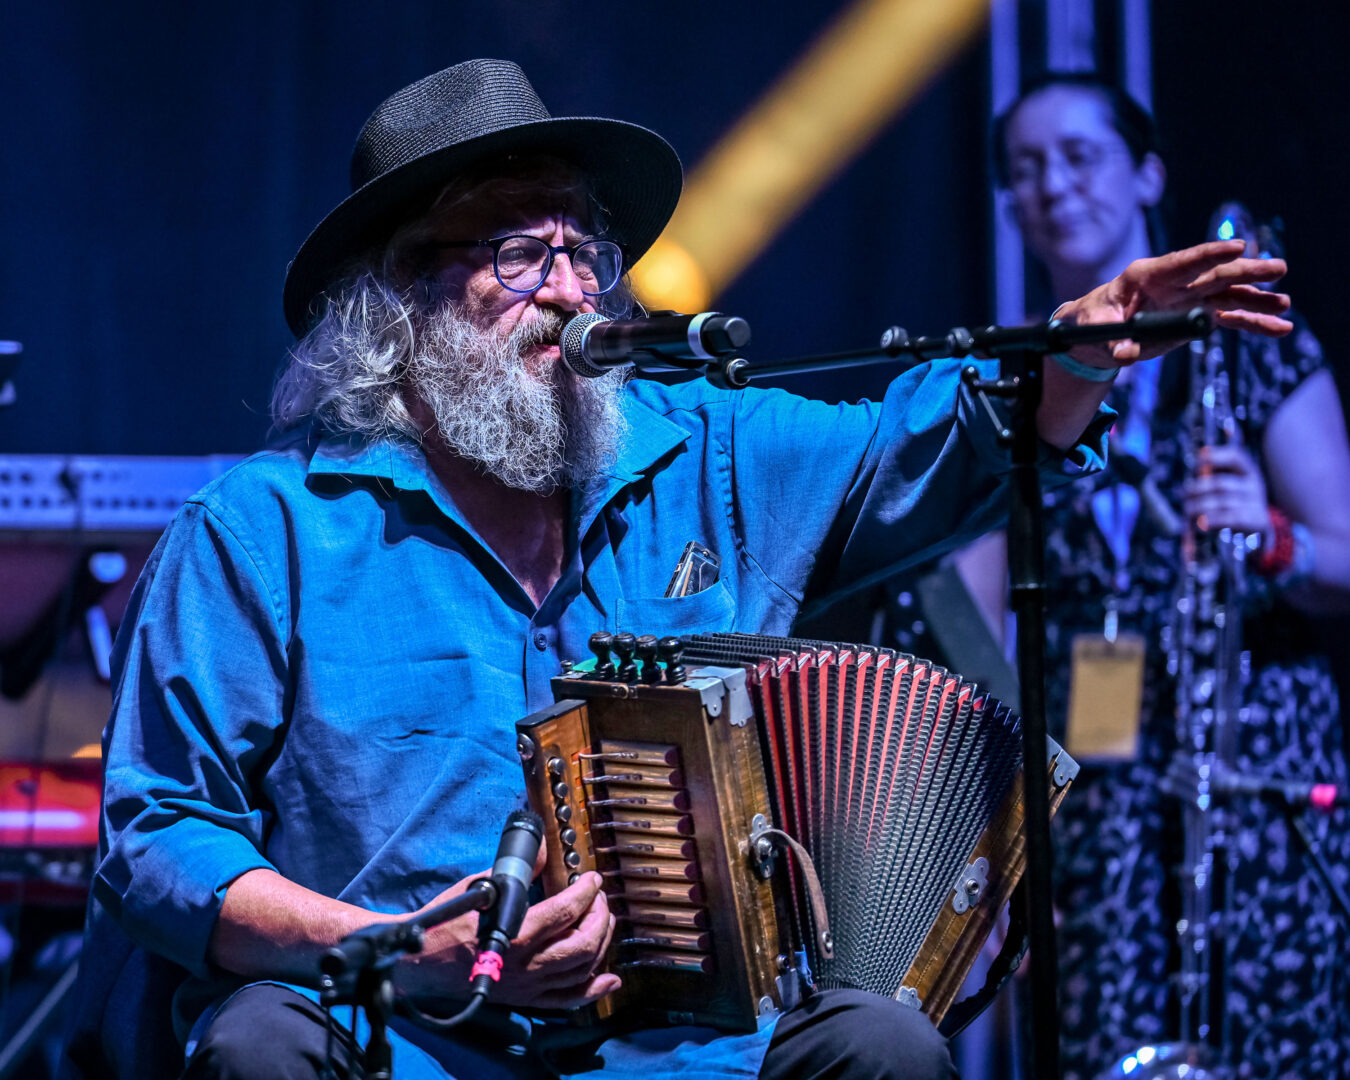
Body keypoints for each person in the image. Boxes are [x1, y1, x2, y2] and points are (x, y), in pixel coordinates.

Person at [62, 60, 1291, 1080]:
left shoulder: (706, 447)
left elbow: (929, 445)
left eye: (579, 246)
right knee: (261, 1045)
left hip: (688, 1048)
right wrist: (392, 947)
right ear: (405, 298)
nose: (570, 286)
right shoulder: (263, 527)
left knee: (883, 1046)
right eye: (516, 252)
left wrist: (1080, 357)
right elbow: (158, 834)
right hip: (402, 1034)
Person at [939, 73, 1348, 1080]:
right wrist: (1012, 812)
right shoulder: (1018, 376)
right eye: (1026, 168)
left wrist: (1276, 537)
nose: (1053, 184)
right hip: (1098, 789)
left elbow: (1345, 557)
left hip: (1253, 768)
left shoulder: (1253, 346)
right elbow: (963, 608)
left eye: (1079, 155)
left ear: (1146, 171)